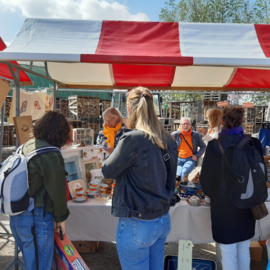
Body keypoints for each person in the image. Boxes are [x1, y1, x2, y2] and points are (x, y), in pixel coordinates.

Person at [102, 87, 178, 270]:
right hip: (161, 218)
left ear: (129, 109)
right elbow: (171, 181)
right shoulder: (168, 139)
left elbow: (107, 171)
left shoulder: (133, 140)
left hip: (138, 220)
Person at [200, 106, 263, 270]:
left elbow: (206, 182)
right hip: (248, 204)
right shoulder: (253, 142)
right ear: (242, 121)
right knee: (244, 249)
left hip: (223, 206)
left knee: (227, 252)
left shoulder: (214, 145)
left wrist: (216, 194)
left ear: (222, 121)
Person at [10, 111, 70, 270]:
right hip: (38, 216)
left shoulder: (25, 146)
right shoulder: (51, 153)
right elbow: (57, 189)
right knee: (42, 265)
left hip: (17, 216)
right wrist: (61, 219)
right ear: (61, 132)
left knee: (31, 265)